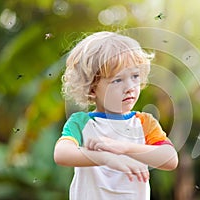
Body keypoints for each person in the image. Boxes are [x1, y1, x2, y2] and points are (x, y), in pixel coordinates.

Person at [53, 31, 178, 200]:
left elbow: (170, 159)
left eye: (135, 76)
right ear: (91, 88)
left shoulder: (144, 123)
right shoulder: (81, 123)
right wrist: (106, 158)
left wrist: (125, 148)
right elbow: (61, 153)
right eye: (118, 80)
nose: (130, 87)